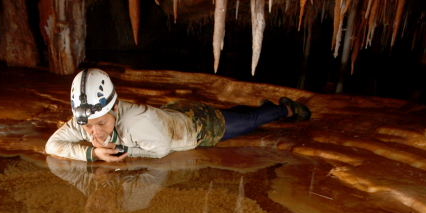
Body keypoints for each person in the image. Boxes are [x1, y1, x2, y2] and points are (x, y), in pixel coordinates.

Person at [45, 68, 311, 163]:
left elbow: (161, 150)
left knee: (249, 124)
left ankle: (284, 108)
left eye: (101, 123)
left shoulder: (138, 120)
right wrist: (91, 153)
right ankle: (261, 108)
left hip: (198, 126)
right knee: (236, 117)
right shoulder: (86, 120)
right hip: (172, 113)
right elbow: (51, 145)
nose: (95, 132)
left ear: (115, 108)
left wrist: (120, 150)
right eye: (88, 127)